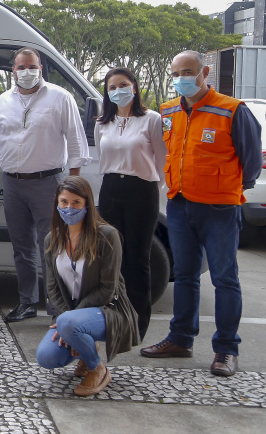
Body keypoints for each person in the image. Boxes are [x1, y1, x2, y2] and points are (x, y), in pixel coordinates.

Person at [140, 50, 262, 377]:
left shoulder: (233, 110)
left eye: (188, 71)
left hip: (220, 208)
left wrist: (229, 190)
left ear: (204, 71)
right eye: (176, 72)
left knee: (224, 279)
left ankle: (226, 349)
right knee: (185, 277)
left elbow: (250, 162)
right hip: (180, 205)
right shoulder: (168, 111)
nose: (182, 78)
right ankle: (180, 338)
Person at [0, 47, 90, 322]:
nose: (27, 72)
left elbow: (75, 140)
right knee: (22, 247)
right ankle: (26, 302)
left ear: (41, 68)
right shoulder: (3, 101)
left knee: (52, 246)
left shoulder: (60, 98)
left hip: (48, 184)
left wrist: (73, 184)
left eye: (32, 66)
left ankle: (56, 308)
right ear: (12, 70)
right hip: (13, 183)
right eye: (21, 67)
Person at [35, 176, 140, 397]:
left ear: (87, 204)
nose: (69, 208)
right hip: (71, 315)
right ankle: (83, 345)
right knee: (46, 357)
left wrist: (70, 320)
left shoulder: (106, 236)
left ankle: (97, 368)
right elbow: (52, 287)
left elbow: (108, 289)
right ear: (57, 203)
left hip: (109, 309)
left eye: (76, 203)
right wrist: (68, 322)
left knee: (68, 323)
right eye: (64, 202)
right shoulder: (51, 239)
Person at [94, 67, 166, 338]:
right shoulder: (102, 123)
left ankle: (137, 323)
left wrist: (149, 186)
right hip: (111, 189)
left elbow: (161, 160)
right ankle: (115, 317)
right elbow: (103, 156)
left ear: (134, 87)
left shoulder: (152, 119)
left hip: (142, 191)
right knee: (112, 257)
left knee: (138, 258)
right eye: (112, 87)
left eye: (122, 85)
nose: (118, 91)